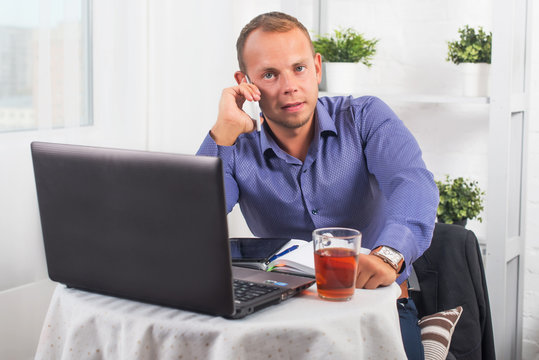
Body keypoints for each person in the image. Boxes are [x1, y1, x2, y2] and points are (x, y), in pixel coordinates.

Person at [197, 11, 438, 359]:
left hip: (374, 309)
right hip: (279, 316)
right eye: (269, 74)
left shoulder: (365, 117)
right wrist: (221, 134)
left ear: (317, 67)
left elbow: (412, 183)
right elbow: (189, 224)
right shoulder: (234, 145)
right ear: (244, 81)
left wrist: (388, 255)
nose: (290, 86)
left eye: (299, 68)